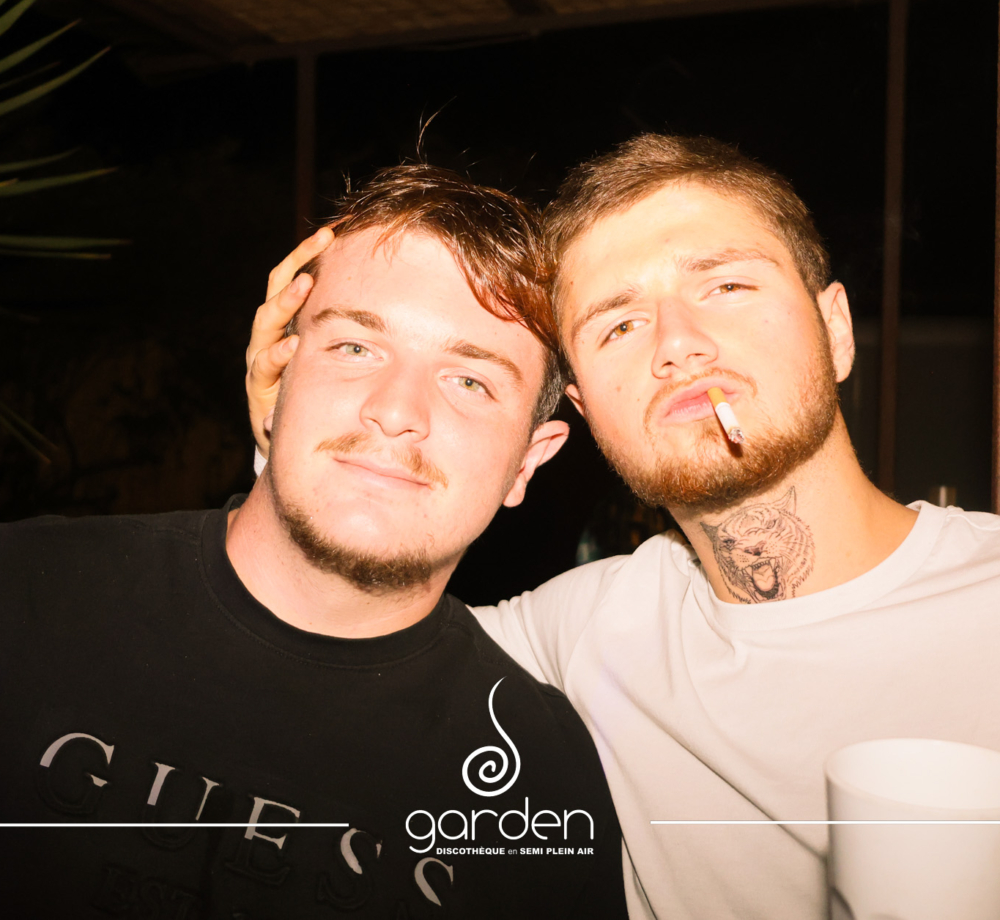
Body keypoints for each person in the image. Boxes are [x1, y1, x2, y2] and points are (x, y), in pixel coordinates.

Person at [246, 135, 1000, 920]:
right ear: (584, 411)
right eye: (619, 326)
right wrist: (289, 433)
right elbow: (330, 641)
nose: (678, 345)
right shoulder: (584, 636)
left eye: (726, 285)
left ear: (835, 328)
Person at [0, 165, 629, 919]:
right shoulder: (23, 594)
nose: (396, 410)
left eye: (470, 381)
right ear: (276, 374)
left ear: (527, 461)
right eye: (356, 347)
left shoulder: (539, 783)